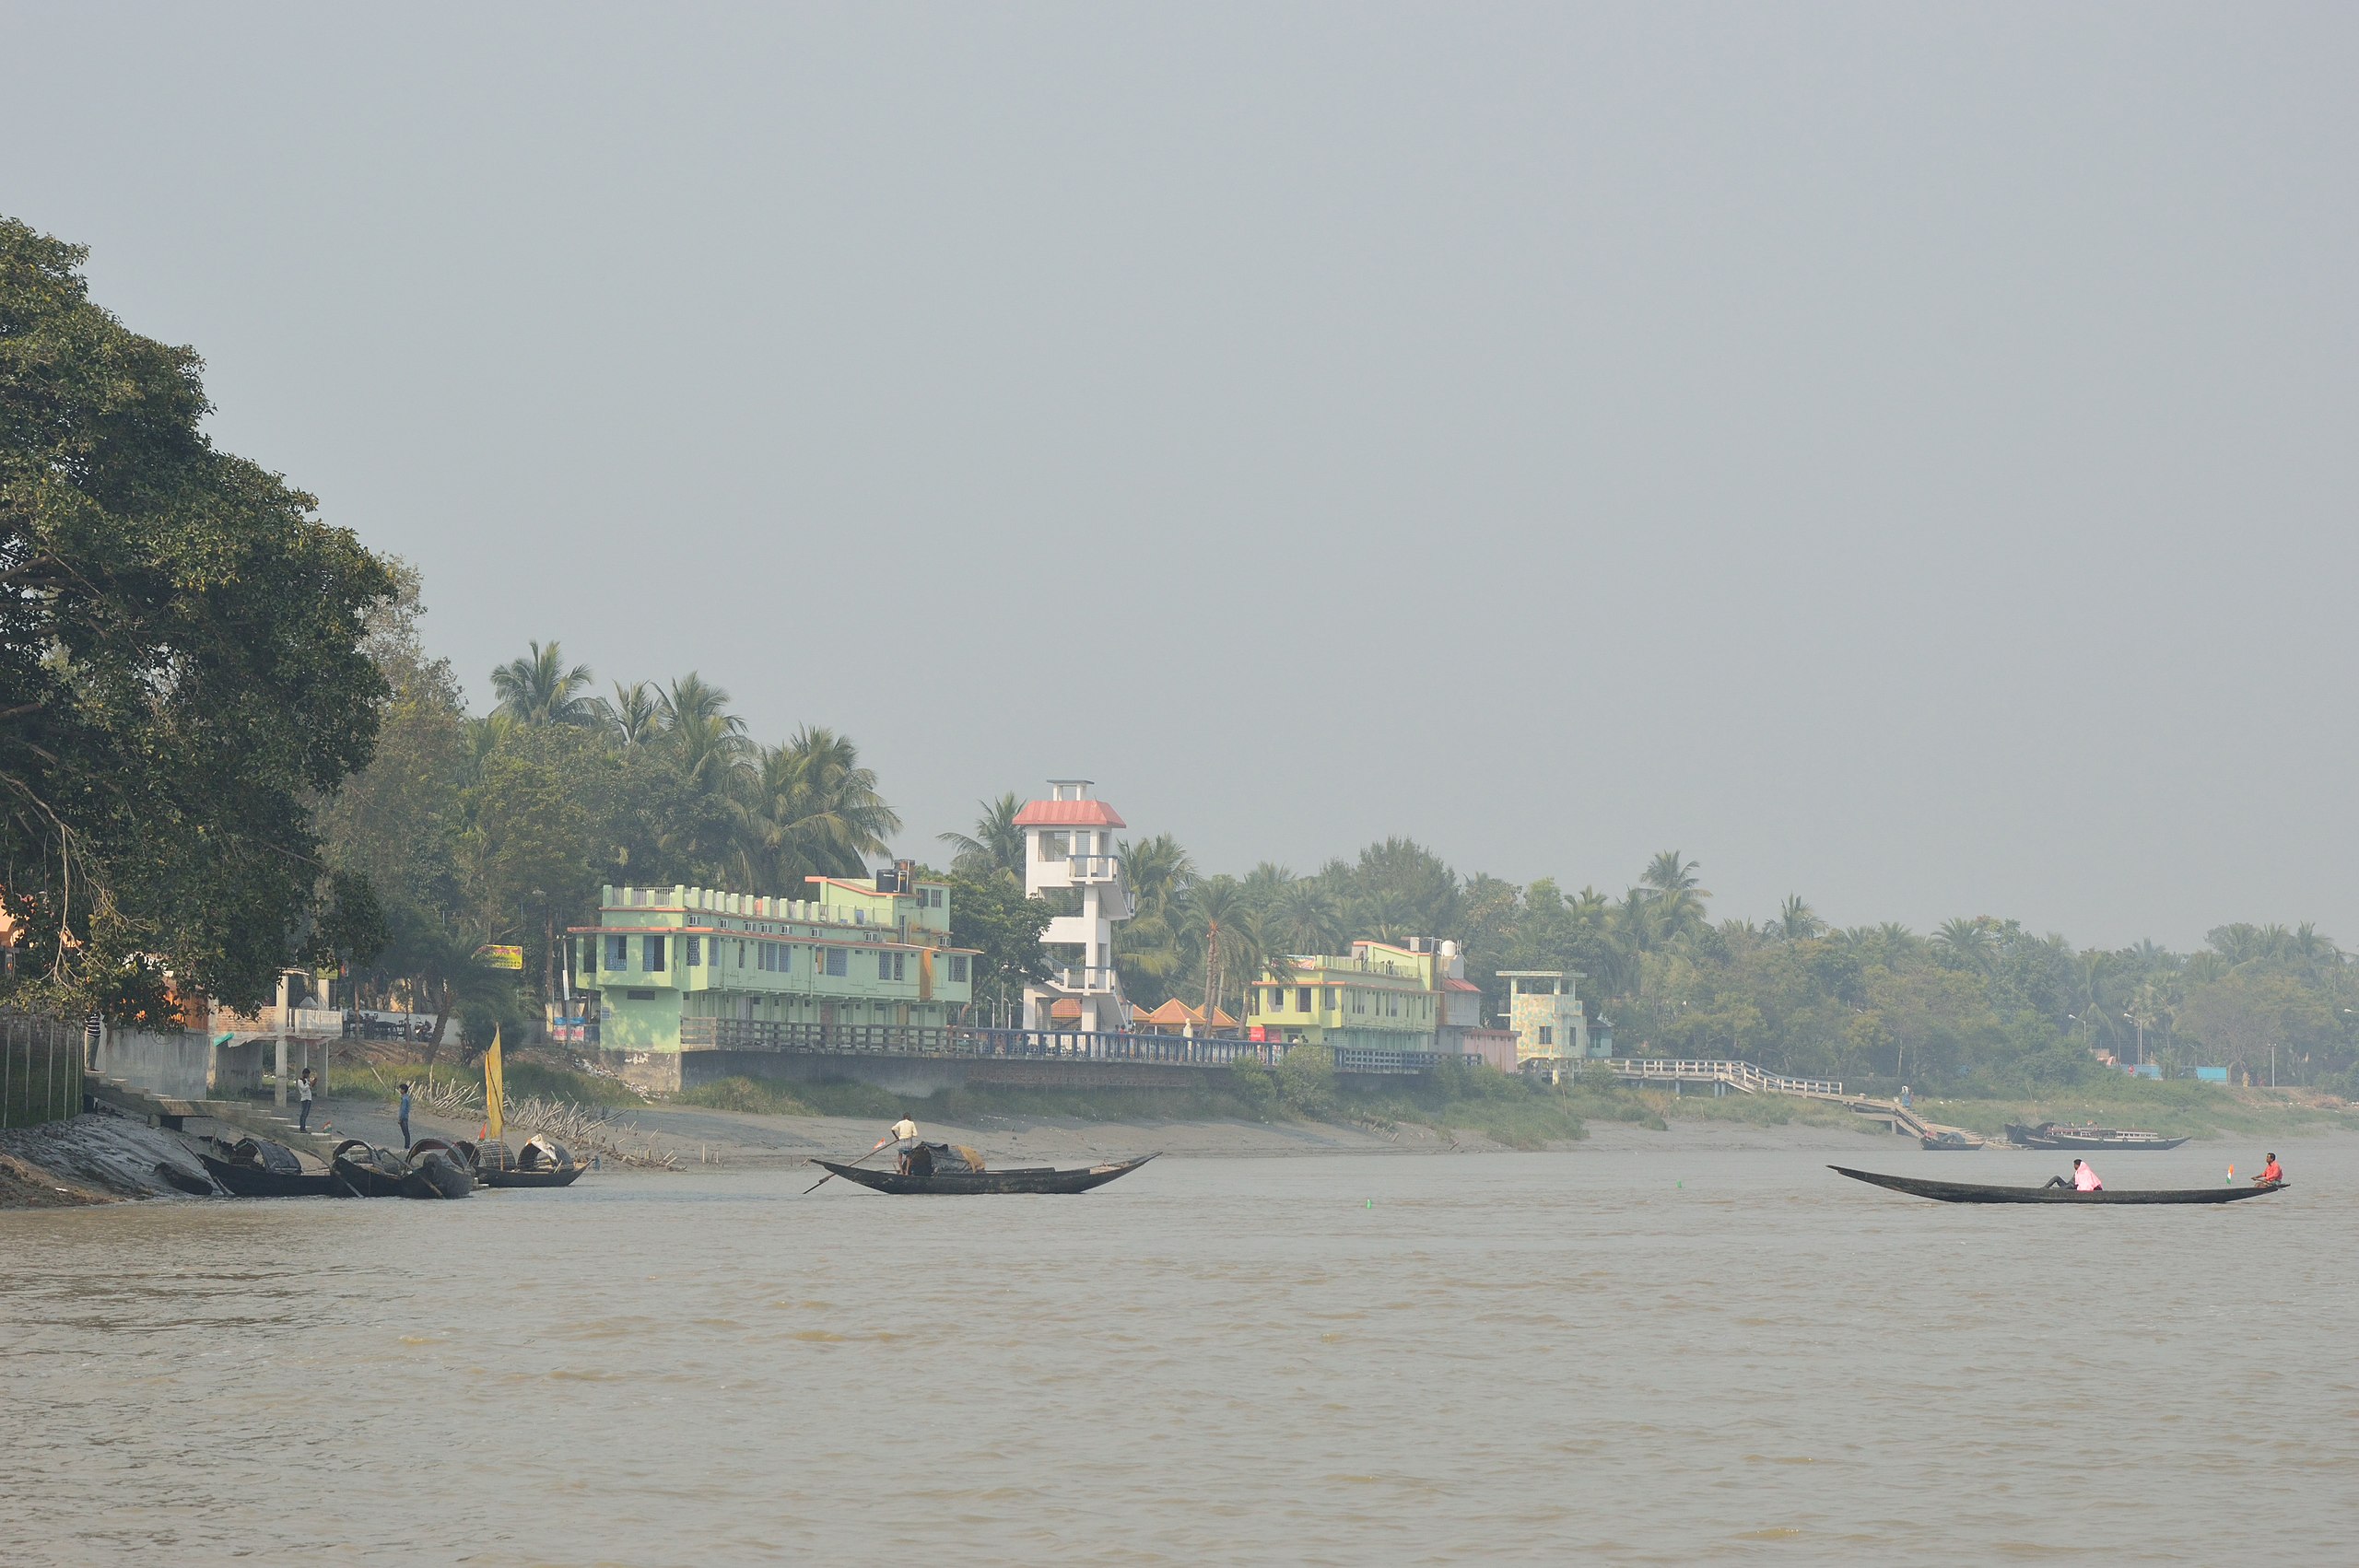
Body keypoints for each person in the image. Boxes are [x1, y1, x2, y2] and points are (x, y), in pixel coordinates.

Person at [296, 1068, 315, 1133]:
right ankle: (302, 1128)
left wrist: (313, 1083)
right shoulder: (300, 1081)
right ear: (304, 1073)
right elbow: (303, 1089)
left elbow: (310, 1087)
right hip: (305, 1099)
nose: (308, 1076)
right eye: (307, 1074)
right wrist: (309, 1085)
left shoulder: (306, 1080)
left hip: (309, 1099)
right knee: (303, 1114)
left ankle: (303, 1127)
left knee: (306, 1114)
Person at [397, 1082, 413, 1149]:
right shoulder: (407, 1097)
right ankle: (407, 1146)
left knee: (406, 1133)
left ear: (403, 1090)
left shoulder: (404, 1099)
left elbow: (403, 1110)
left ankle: (407, 1147)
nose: (399, 1090)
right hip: (406, 1117)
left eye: (400, 1089)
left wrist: (400, 1119)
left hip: (403, 1118)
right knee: (406, 1133)